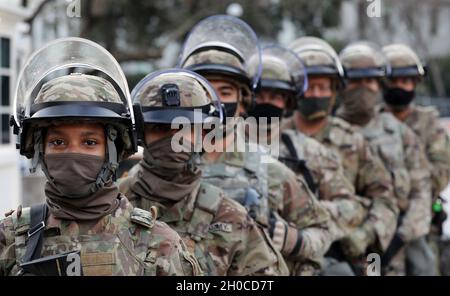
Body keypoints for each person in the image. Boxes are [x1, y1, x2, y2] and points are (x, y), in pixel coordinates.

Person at [1, 38, 200, 276]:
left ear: (113, 151)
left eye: (89, 142)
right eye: (58, 142)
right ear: (40, 150)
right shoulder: (11, 238)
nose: (73, 153)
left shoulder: (159, 244)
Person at [180, 22, 333, 275]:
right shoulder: (165, 167)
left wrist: (294, 240)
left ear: (243, 102)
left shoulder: (269, 170)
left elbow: (323, 230)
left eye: (225, 91)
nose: (215, 100)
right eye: (203, 89)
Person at [119, 68, 285, 276]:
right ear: (141, 134)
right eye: (160, 129)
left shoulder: (230, 216)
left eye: (184, 128)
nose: (174, 140)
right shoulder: (112, 205)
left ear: (204, 133)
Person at [284, 37, 398, 275]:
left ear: (335, 91)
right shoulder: (276, 137)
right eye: (309, 87)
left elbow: (385, 200)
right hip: (285, 251)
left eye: (323, 87)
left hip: (340, 253)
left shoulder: (353, 142)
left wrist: (362, 236)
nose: (316, 94)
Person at [336, 41, 432, 276]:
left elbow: (422, 192)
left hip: (395, 246)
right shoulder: (326, 133)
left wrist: (399, 238)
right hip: (340, 246)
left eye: (369, 82)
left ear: (380, 86)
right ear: (341, 86)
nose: (363, 89)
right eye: (355, 82)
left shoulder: (399, 133)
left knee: (425, 266)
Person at [381, 43, 450, 275]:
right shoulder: (371, 122)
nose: (401, 86)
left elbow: (440, 172)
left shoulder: (429, 123)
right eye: (395, 80)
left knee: (424, 266)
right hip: (378, 221)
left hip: (422, 221)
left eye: (407, 81)